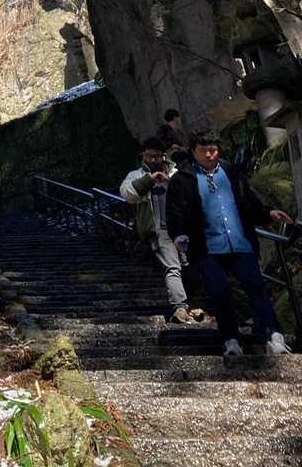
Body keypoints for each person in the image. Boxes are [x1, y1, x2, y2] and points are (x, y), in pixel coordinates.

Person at [166, 132, 294, 361]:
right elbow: (176, 211)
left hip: (239, 242)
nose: (209, 155)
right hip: (207, 248)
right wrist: (179, 234)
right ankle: (230, 340)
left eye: (213, 150)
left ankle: (274, 337)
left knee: (257, 289)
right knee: (220, 294)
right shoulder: (183, 178)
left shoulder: (231, 171)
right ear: (193, 151)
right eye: (203, 150)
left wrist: (268, 213)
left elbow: (248, 201)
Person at [120, 138, 203, 325]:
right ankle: (180, 307)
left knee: (191, 266)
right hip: (159, 230)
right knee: (173, 267)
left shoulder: (176, 172)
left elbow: (192, 192)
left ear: (164, 156)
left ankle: (193, 304)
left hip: (183, 228)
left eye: (157, 156)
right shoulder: (136, 175)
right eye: (149, 156)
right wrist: (149, 180)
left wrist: (170, 182)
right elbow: (128, 194)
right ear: (143, 155)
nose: (154, 160)